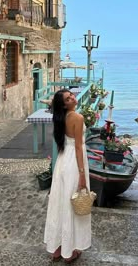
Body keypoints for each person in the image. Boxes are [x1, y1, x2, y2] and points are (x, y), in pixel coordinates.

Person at [44, 89, 91, 263]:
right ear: (64, 104)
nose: (72, 97)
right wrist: (82, 176)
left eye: (71, 94)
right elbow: (78, 147)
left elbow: (63, 143)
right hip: (74, 163)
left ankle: (56, 248)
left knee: (59, 202)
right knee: (72, 204)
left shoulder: (59, 118)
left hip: (63, 161)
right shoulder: (77, 118)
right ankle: (69, 252)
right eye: (68, 98)